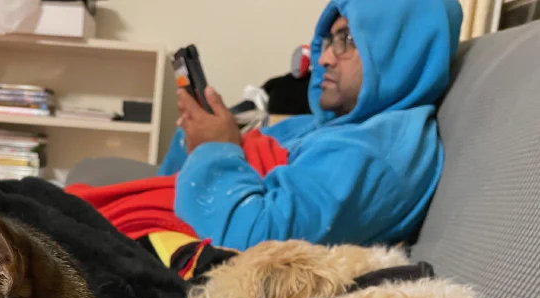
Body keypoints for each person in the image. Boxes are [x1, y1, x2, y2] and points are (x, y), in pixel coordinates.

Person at [159, 0, 463, 251]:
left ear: (401, 50)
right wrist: (197, 134)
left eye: (347, 40)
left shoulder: (375, 154)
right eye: (329, 41)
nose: (324, 58)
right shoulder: (333, 125)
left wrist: (215, 148)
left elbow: (251, 244)